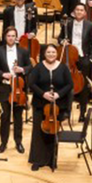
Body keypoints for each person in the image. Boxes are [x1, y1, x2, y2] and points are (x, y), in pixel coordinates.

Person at [27, 44, 73, 172]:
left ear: (57, 54)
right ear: (44, 54)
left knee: (53, 132)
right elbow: (31, 83)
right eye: (48, 52)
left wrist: (58, 94)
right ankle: (37, 160)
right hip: (40, 104)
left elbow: (69, 85)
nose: (51, 54)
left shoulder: (63, 68)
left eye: (53, 52)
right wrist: (43, 94)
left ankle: (51, 160)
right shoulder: (38, 67)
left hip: (57, 106)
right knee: (38, 132)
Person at [0, 27, 31, 154]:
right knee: (5, 116)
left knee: (18, 116)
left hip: (19, 88)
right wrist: (3, 74)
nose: (11, 38)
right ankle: (4, 142)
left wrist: (22, 70)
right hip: (5, 87)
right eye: (9, 36)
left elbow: (30, 66)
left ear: (16, 37)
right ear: (5, 37)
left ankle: (18, 142)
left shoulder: (23, 52)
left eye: (13, 36)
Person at [59, 4, 92, 122]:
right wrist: (62, 41)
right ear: (73, 12)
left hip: (83, 58)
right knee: (67, 85)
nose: (79, 12)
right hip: (70, 58)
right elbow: (60, 38)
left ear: (85, 13)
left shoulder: (90, 25)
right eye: (77, 10)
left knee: (84, 86)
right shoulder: (68, 24)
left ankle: (82, 112)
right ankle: (66, 111)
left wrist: (90, 58)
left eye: (81, 10)